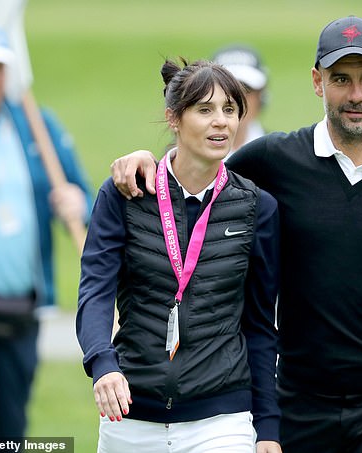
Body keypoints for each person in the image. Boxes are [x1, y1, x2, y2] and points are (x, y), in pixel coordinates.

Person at [109, 16, 362, 453]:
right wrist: (146, 159)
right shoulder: (275, 161)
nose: (356, 95)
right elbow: (196, 173)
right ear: (317, 81)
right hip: (299, 399)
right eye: (341, 79)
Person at [76, 58, 282, 453]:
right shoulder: (125, 193)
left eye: (229, 109)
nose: (220, 121)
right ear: (174, 118)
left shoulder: (258, 208)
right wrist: (103, 364)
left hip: (222, 420)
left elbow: (259, 325)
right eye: (204, 110)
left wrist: (268, 427)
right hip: (130, 416)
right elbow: (95, 292)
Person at [0, 23, 92, 439]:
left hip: (21, 310)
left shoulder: (36, 126)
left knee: (9, 430)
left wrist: (77, 204)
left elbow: (89, 203)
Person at [211, 44, 269, 158]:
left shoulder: (279, 154)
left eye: (246, 89)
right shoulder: (180, 159)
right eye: (226, 90)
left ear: (261, 97)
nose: (235, 100)